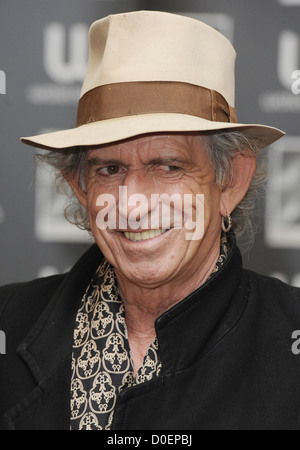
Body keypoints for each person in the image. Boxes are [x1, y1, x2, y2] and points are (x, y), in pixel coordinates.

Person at [1, 10, 300, 431]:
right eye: (109, 170)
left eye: (168, 166)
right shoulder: (7, 322)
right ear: (80, 188)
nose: (134, 204)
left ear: (230, 182)